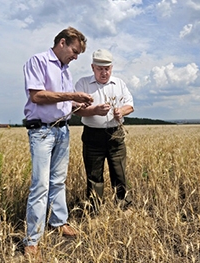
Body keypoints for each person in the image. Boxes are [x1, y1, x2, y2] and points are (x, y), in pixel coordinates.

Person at [23, 26, 93, 260]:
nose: (75, 57)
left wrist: (77, 105)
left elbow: (61, 102)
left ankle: (59, 222)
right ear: (62, 43)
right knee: (41, 185)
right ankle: (32, 239)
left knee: (58, 181)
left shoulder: (65, 69)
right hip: (42, 131)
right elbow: (38, 96)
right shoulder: (38, 61)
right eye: (74, 51)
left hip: (62, 129)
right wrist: (72, 96)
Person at [75, 49, 134, 214]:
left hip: (116, 134)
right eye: (100, 68)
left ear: (112, 68)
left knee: (119, 172)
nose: (104, 72)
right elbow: (76, 110)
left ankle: (124, 207)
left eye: (107, 68)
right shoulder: (83, 84)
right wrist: (94, 110)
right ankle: (94, 210)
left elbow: (130, 105)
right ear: (92, 67)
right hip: (92, 135)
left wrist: (121, 111)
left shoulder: (119, 83)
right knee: (94, 176)